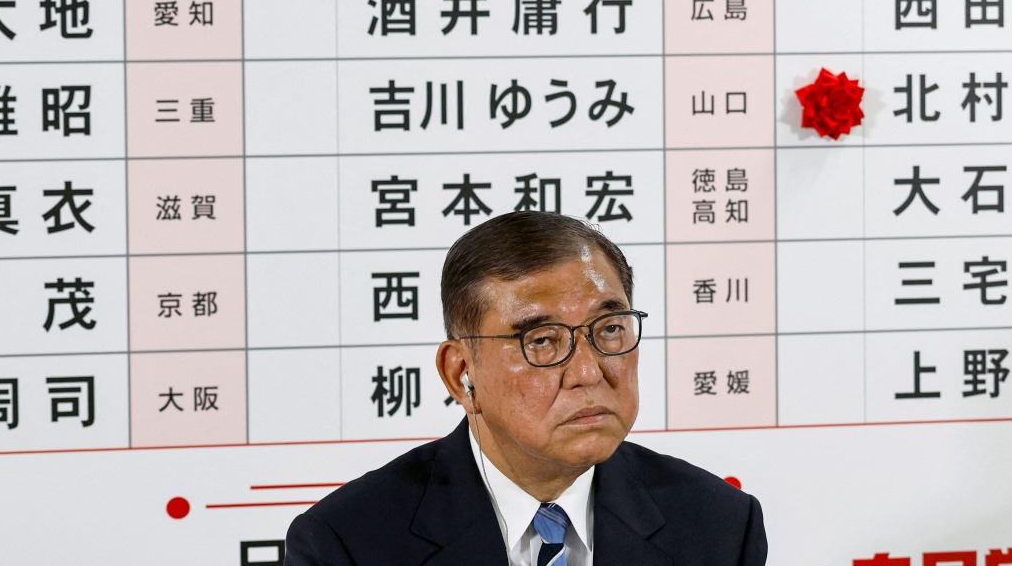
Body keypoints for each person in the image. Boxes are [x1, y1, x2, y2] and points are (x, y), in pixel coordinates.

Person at [285, 211, 767, 565]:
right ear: (460, 374)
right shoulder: (347, 544)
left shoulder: (719, 526)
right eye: (541, 340)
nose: (587, 371)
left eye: (610, 329)